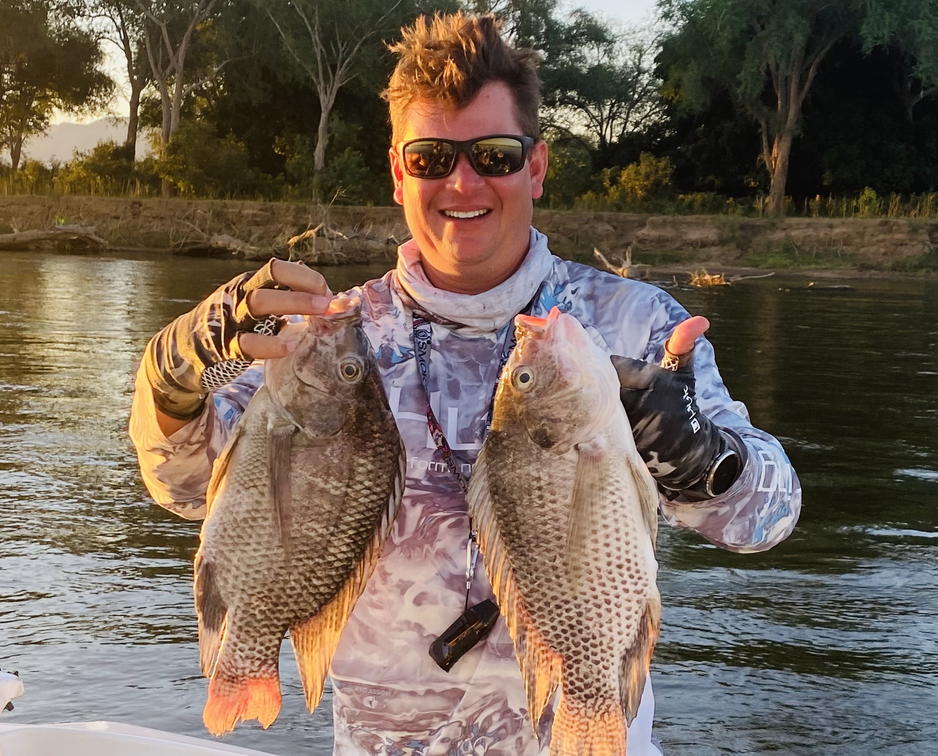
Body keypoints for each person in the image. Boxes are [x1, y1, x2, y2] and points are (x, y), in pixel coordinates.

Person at [130, 12, 801, 755]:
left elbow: (763, 522)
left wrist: (703, 461)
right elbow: (185, 486)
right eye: (431, 158)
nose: (462, 180)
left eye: (493, 155)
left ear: (536, 167)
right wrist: (176, 367)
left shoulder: (635, 324)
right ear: (398, 173)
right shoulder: (327, 339)